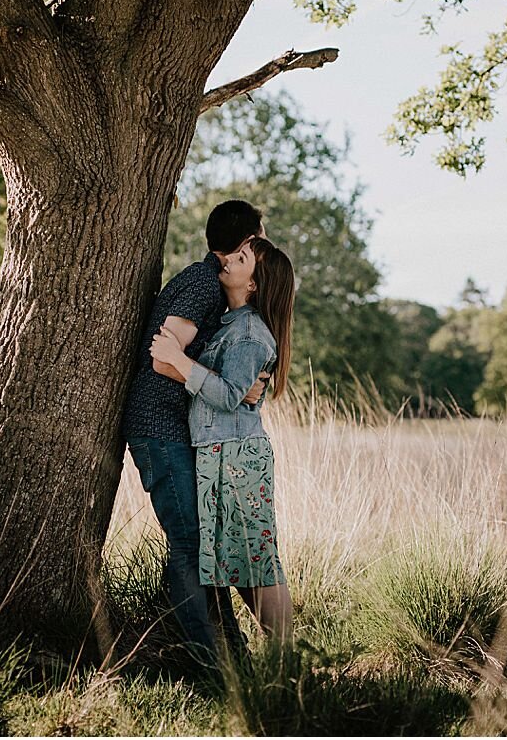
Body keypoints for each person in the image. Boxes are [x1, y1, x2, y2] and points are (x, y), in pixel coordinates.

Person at [122, 199, 265, 667]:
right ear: (244, 243)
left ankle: (230, 653)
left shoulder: (214, 289)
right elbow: (163, 358)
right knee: (189, 542)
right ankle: (210, 663)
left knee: (202, 540)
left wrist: (238, 388)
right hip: (158, 426)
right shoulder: (202, 283)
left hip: (175, 426)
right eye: (258, 240)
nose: (261, 249)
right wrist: (221, 386)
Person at [150, 237, 295, 642]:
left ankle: (287, 655)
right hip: (221, 452)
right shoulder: (231, 323)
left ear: (253, 284)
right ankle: (280, 651)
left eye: (242, 257)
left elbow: (229, 394)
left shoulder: (249, 332)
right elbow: (232, 386)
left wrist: (177, 359)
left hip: (238, 456)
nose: (229, 259)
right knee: (240, 559)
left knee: (256, 561)